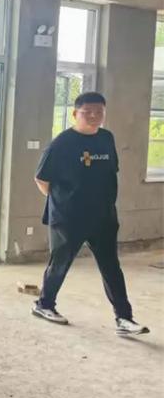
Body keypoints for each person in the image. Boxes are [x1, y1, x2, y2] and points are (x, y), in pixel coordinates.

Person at [32, 91, 149, 336]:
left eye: (99, 112)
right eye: (88, 112)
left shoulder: (106, 138)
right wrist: (63, 201)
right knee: (60, 263)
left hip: (103, 216)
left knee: (111, 266)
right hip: (69, 217)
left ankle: (124, 318)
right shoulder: (62, 143)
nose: (94, 116)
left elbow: (110, 172)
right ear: (75, 114)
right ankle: (44, 304)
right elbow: (42, 179)